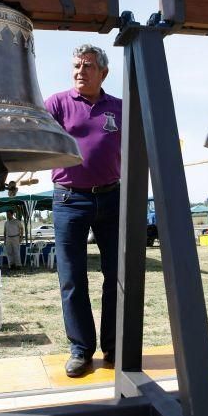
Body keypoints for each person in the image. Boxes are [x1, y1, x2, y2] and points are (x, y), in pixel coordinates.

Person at [45, 44, 122, 377]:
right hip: (68, 200)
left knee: (118, 276)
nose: (80, 71)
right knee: (72, 278)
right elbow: (37, 136)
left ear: (103, 72)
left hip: (113, 197)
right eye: (76, 65)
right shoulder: (57, 104)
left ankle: (116, 346)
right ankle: (81, 349)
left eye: (88, 66)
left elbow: (141, 142)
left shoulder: (120, 107)